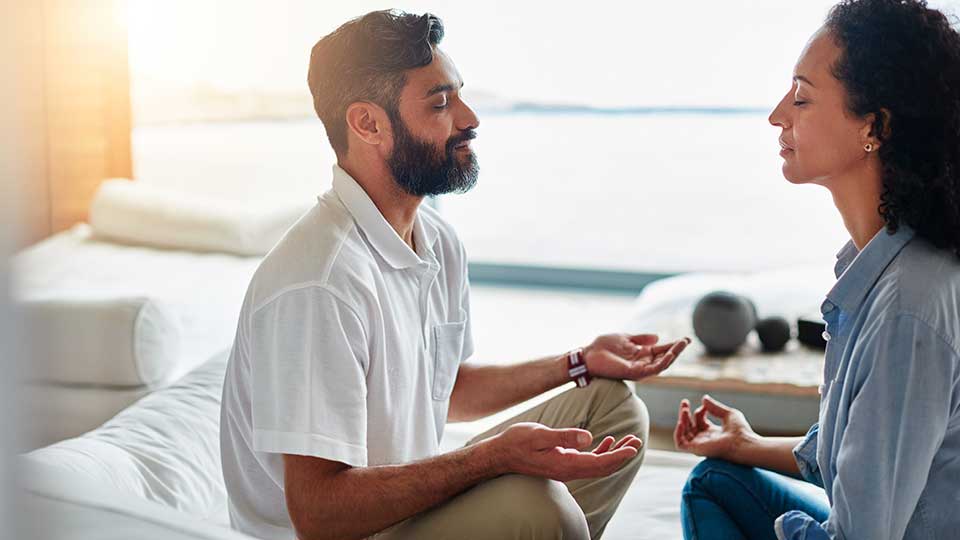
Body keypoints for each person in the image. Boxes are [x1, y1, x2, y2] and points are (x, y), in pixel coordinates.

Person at [220, 10, 690, 540]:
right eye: (441, 103)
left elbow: (449, 391)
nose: (470, 117)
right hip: (347, 529)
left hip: (403, 506)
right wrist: (490, 460)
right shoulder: (317, 283)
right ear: (368, 124)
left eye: (459, 95)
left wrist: (579, 362)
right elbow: (318, 513)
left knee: (612, 405)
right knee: (539, 505)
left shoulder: (436, 241)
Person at [673, 0, 960, 539]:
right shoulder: (884, 264)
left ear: (873, 126)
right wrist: (749, 445)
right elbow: (865, 455)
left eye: (802, 97)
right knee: (715, 478)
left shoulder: (908, 309)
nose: (778, 114)